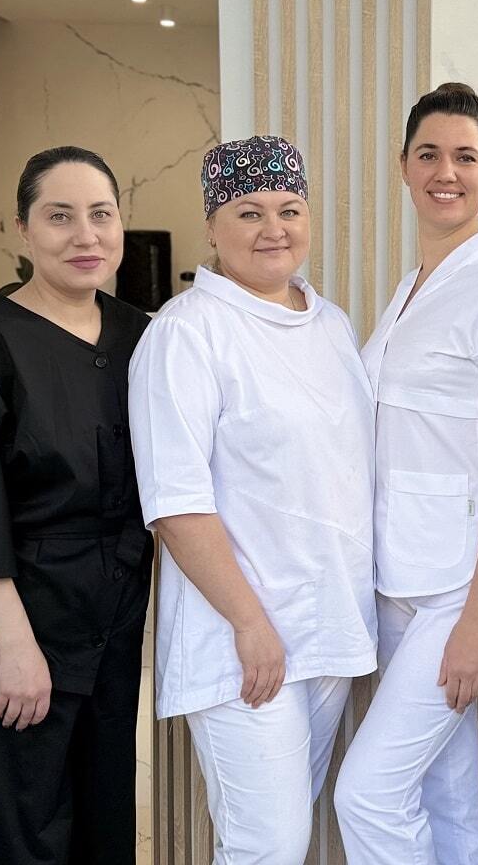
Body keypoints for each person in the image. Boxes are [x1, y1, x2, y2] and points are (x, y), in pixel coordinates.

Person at [131, 135, 377, 863]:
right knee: (267, 846)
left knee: (284, 837)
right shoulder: (186, 332)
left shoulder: (331, 324)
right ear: (212, 225)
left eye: (289, 209)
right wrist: (249, 622)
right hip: (242, 637)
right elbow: (176, 503)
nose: (274, 228)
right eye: (249, 212)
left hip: (326, 626)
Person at [334, 83, 478, 865]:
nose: (445, 171)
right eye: (428, 154)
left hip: (466, 582)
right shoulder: (409, 289)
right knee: (445, 789)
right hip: (401, 573)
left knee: (367, 792)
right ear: (403, 167)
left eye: (465, 156)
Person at [0, 146, 152, 865]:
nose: (86, 236)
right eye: (59, 217)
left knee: (101, 830)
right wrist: (17, 650)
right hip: (11, 637)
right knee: (14, 840)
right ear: (22, 228)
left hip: (107, 636)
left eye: (101, 215)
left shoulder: (141, 334)